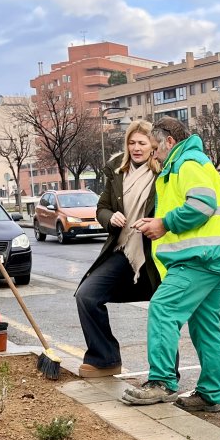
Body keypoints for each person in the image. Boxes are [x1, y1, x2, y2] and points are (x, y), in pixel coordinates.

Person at [121, 117, 220, 412]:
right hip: (212, 257)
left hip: (198, 259)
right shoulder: (189, 163)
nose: (154, 153)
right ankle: (210, 394)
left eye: (156, 147)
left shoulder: (187, 163)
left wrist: (164, 223)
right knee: (205, 328)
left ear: (170, 142)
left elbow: (202, 205)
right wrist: (159, 222)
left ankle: (161, 382)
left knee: (163, 309)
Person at [72, 120, 163, 378]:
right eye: (131, 143)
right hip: (122, 250)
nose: (136, 148)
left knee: (162, 312)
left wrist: (159, 223)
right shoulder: (116, 170)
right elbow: (101, 207)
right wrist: (110, 217)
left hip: (154, 254)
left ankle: (165, 375)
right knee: (86, 296)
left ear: (152, 145)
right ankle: (105, 359)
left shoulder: (164, 172)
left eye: (142, 143)